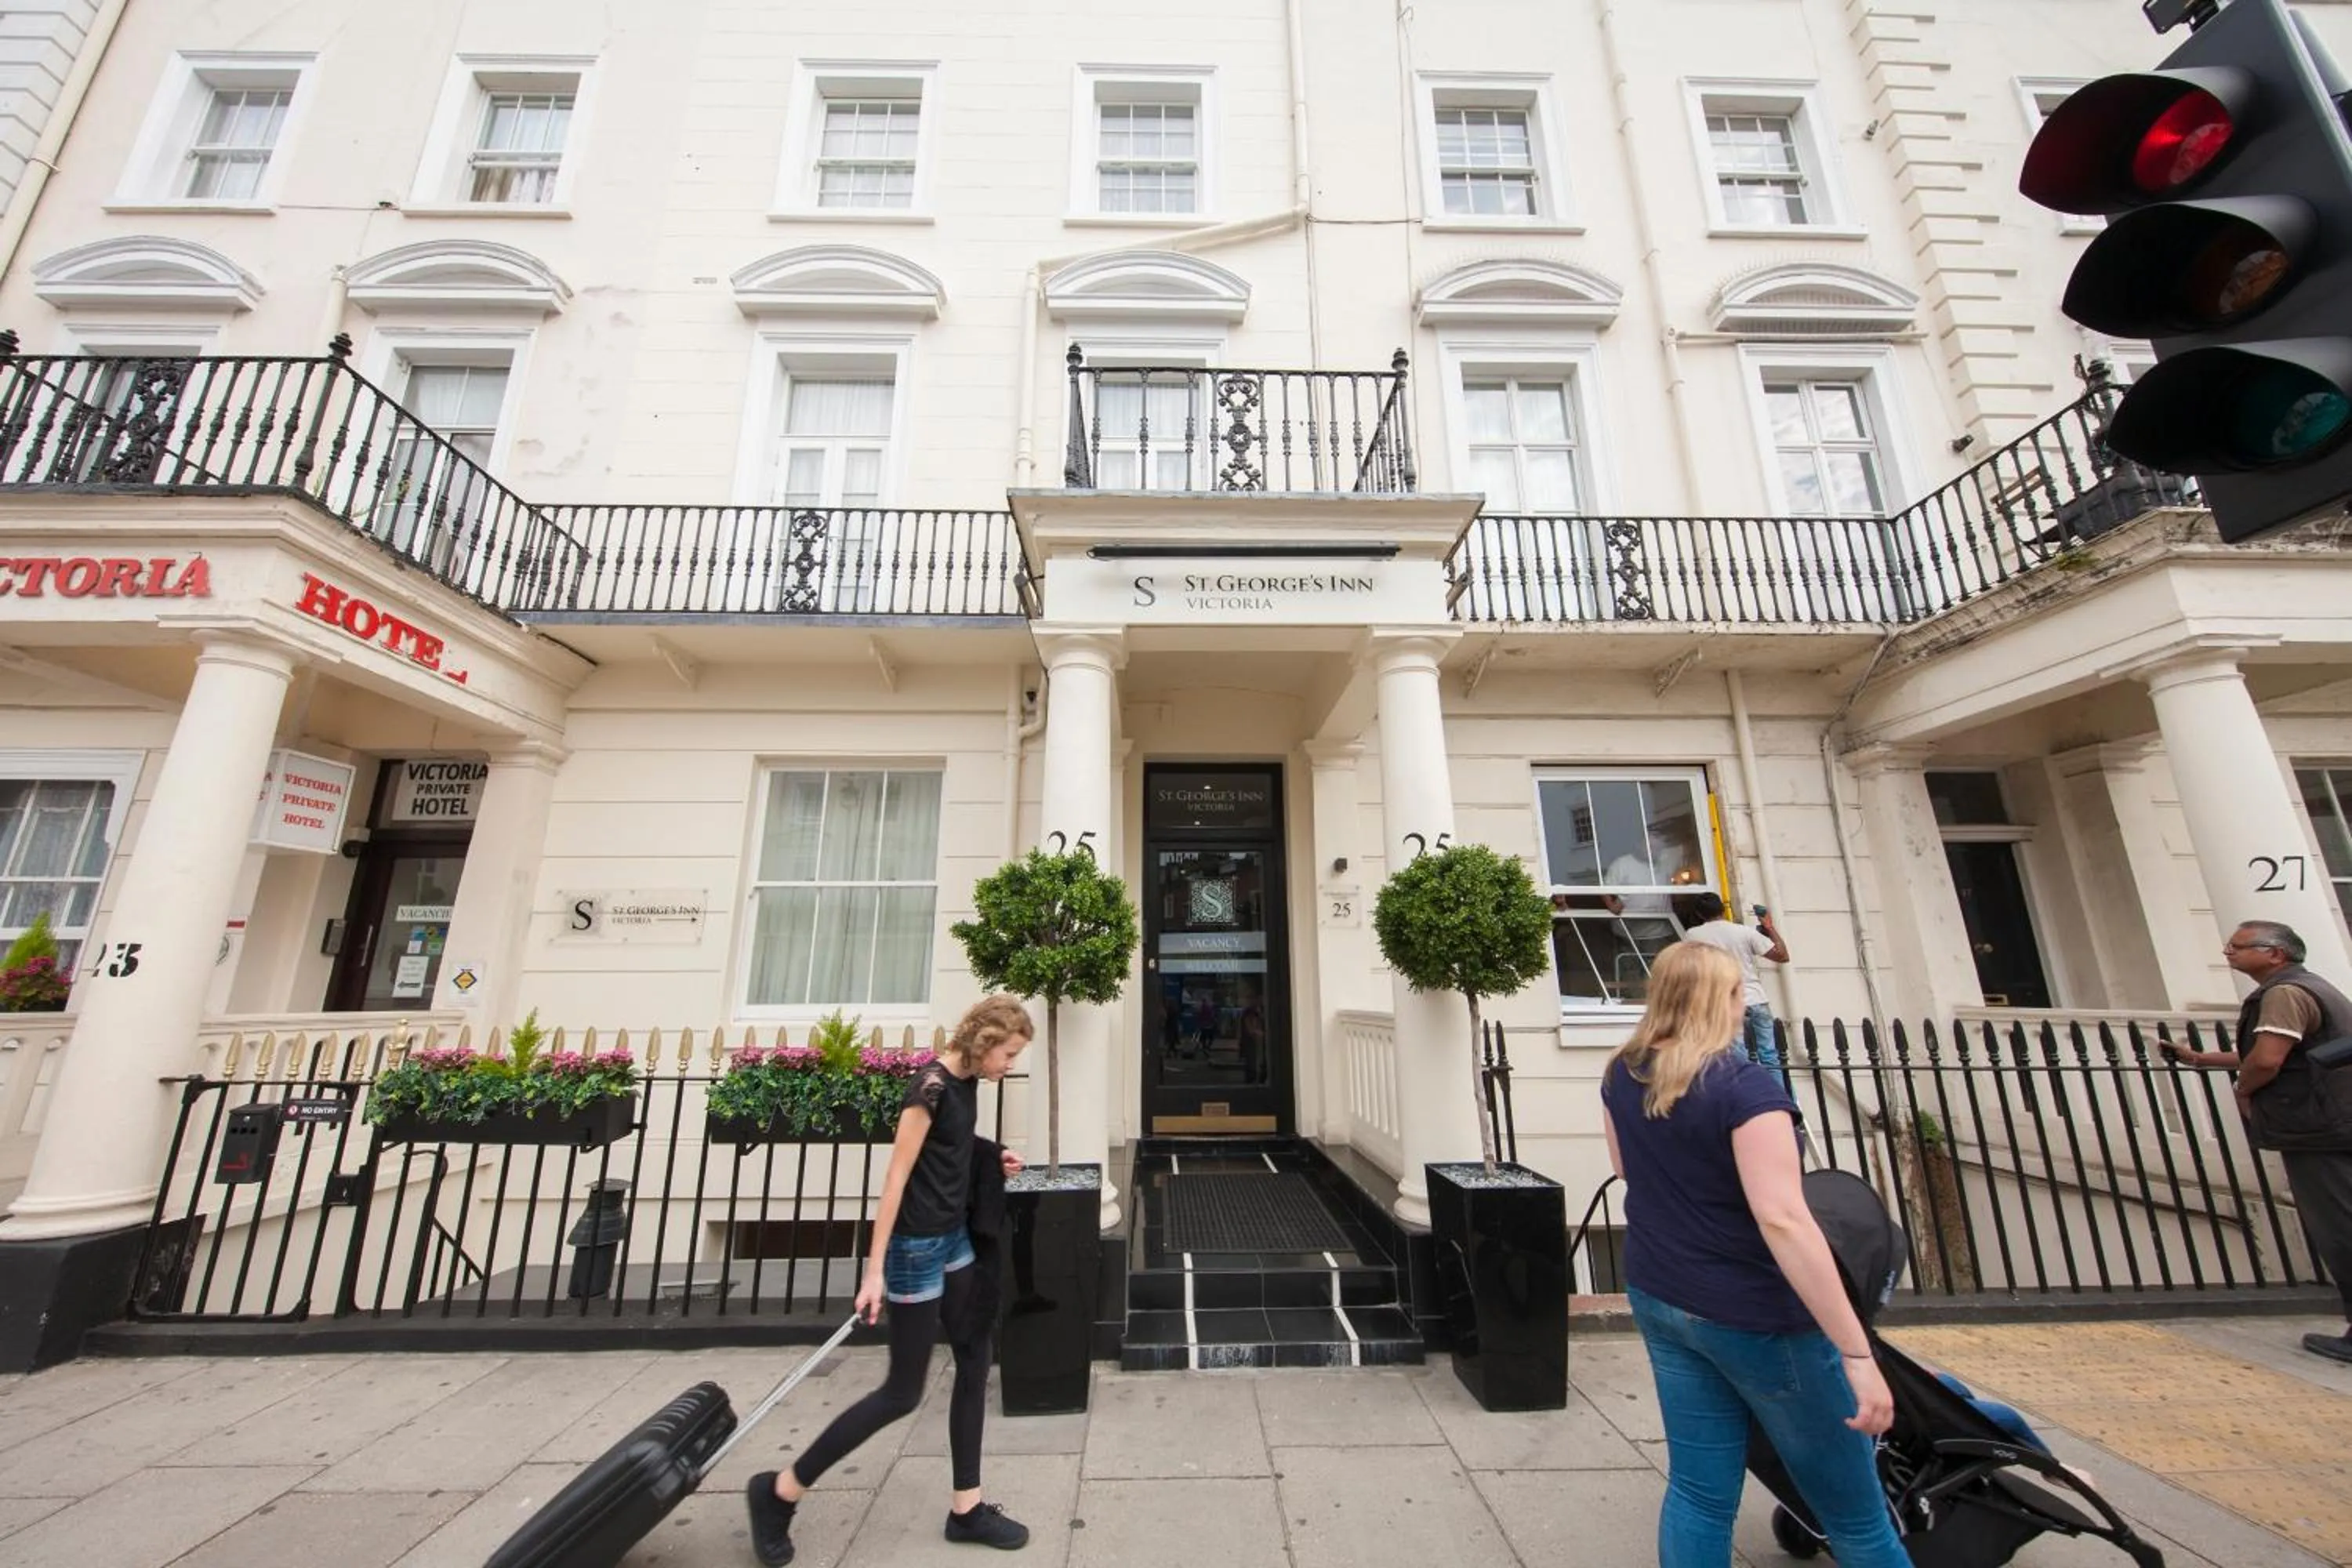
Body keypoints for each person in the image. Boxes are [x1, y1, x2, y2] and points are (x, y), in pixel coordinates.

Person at [1602, 941, 1907, 1568]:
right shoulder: (1746, 1091)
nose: (1744, 1007)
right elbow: (1784, 1220)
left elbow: (1628, 1171)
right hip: (1757, 1316)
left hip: (1662, 1295)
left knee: (1698, 1492)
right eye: (1740, 993)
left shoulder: (1623, 1072)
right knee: (1855, 1517)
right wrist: (1856, 1352)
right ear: (1725, 999)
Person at [746, 995, 1036, 1563]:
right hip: (913, 1251)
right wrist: (873, 1270)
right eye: (1009, 1053)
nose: (1010, 1064)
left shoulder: (966, 1084)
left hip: (952, 1238)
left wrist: (993, 1154)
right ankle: (780, 1491)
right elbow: (896, 1178)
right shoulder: (926, 1089)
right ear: (984, 1044)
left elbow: (953, 1145)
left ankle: (967, 1509)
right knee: (902, 1393)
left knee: (976, 1356)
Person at [2161, 920, 2352, 1363]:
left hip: (2317, 1128)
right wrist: (2204, 1059)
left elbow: (2268, 1060)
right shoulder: (2311, 987)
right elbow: (2295, 1053)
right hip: (2333, 1121)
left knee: (2341, 1226)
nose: (2228, 952)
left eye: (2239, 946)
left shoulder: (2284, 993)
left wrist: (2244, 1088)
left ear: (2275, 954)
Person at [1678, 894, 1790, 1067]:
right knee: (1769, 1056)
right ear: (1723, 909)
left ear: (1699, 915)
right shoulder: (1744, 931)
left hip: (1724, 1002)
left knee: (1739, 1059)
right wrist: (1769, 928)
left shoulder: (1693, 935)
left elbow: (1688, 970)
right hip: (1756, 999)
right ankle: (1778, 1094)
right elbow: (1782, 956)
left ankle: (1746, 1094)